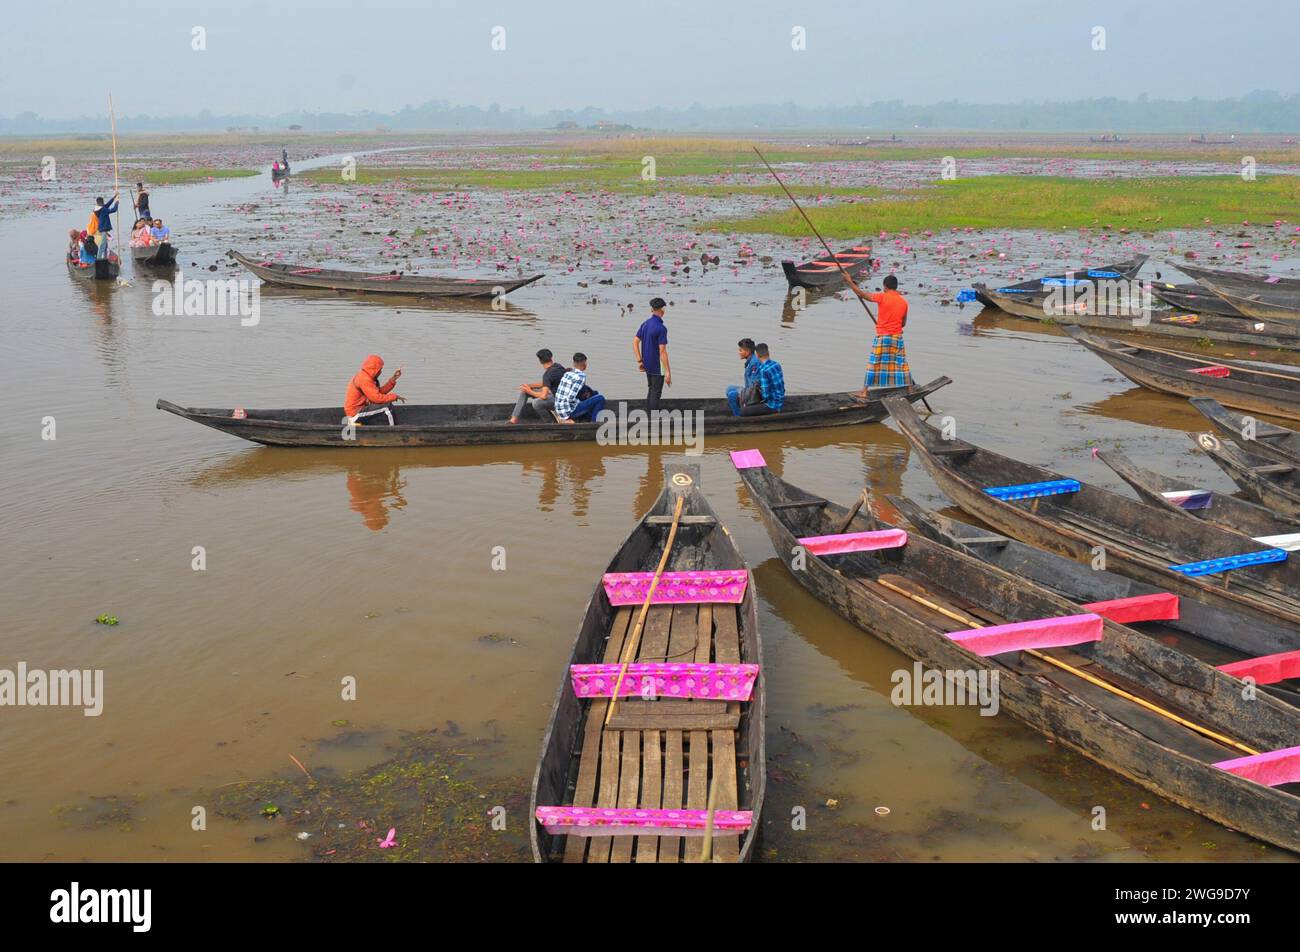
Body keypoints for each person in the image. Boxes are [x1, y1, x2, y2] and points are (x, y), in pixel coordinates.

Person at [850, 273, 910, 397]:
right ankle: (910, 389)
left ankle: (864, 392)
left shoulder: (882, 297)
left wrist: (848, 281)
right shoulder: (903, 302)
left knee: (873, 363)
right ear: (896, 287)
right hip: (897, 337)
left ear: (885, 286)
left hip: (883, 337)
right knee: (901, 363)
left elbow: (860, 293)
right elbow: (903, 323)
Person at [508, 348, 567, 423]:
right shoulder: (558, 367)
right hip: (559, 396)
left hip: (558, 400)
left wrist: (529, 391)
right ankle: (514, 419)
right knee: (524, 392)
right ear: (551, 358)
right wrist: (530, 386)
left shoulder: (548, 374)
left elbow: (543, 396)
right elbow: (545, 383)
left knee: (536, 403)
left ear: (540, 361)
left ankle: (550, 422)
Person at [343, 355, 404, 426]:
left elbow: (378, 393)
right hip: (355, 413)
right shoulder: (364, 379)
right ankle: (394, 431)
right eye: (379, 370)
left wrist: (393, 379)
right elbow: (377, 399)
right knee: (388, 407)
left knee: (385, 405)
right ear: (374, 369)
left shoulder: (366, 377)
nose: (380, 372)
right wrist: (394, 397)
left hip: (361, 409)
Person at [633, 297, 670, 412]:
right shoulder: (661, 328)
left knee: (651, 389)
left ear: (651, 309)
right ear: (662, 310)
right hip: (657, 365)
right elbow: (662, 351)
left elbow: (635, 342)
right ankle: (653, 418)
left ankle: (648, 414)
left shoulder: (645, 324)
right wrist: (668, 372)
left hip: (646, 364)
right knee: (656, 391)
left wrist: (640, 360)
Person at [553, 353, 606, 423]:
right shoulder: (580, 377)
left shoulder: (567, 374)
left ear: (574, 363)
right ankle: (594, 423)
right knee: (600, 398)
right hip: (567, 412)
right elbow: (570, 398)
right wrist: (578, 403)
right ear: (584, 364)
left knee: (591, 397)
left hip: (559, 409)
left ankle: (584, 418)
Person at [738, 343, 784, 417]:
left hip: (772, 406)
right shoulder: (776, 364)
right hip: (780, 400)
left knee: (743, 411)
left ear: (757, 355)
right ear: (768, 353)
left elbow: (766, 395)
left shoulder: (763, 370)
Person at [725, 338, 761, 416]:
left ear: (747, 352)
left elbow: (754, 387)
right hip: (749, 390)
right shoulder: (750, 361)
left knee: (732, 395)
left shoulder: (755, 363)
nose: (739, 352)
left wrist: (741, 394)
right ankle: (741, 407)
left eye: (740, 350)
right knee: (730, 388)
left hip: (755, 395)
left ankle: (739, 417)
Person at [90, 194, 119, 259]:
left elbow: (107, 205)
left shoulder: (98, 209)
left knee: (105, 245)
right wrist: (116, 203)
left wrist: (113, 198)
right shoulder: (103, 210)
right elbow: (113, 210)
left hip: (102, 228)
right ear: (102, 202)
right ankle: (99, 258)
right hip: (103, 229)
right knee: (103, 245)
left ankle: (105, 257)